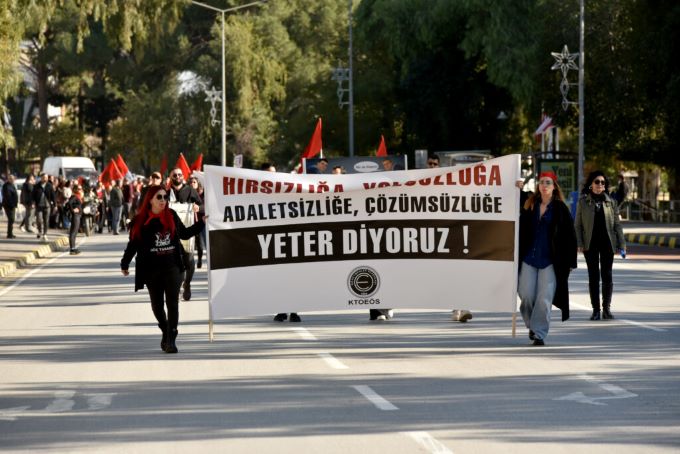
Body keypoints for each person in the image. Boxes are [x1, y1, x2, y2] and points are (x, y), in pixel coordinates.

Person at [120, 185, 205, 353]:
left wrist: (201, 223)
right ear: (150, 199)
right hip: (151, 270)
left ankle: (172, 338)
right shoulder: (140, 221)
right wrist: (125, 263)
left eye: (165, 197)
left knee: (172, 304)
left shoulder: (171, 215)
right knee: (157, 306)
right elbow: (133, 245)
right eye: (159, 197)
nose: (163, 201)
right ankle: (165, 330)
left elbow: (185, 234)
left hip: (173, 267)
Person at [518, 171, 577, 346]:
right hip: (529, 257)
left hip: (550, 261)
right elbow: (514, 202)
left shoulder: (560, 209)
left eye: (548, 182)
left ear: (554, 187)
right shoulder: (530, 205)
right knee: (526, 294)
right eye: (542, 182)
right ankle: (532, 325)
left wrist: (570, 263)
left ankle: (539, 333)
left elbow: (570, 237)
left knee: (544, 298)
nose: (544, 185)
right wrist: (518, 189)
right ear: (538, 186)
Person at [426, 155, 473, 322]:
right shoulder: (420, 184)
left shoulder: (448, 182)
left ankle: (461, 307)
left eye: (435, 164)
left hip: (452, 232)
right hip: (432, 236)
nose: (432, 166)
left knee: (458, 270)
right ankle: (457, 306)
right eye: (430, 164)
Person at [574, 171, 626, 320]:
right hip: (590, 244)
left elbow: (617, 224)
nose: (600, 185)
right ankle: (596, 310)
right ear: (591, 184)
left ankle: (606, 309)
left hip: (607, 243)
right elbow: (577, 225)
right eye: (597, 182)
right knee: (593, 277)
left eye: (603, 182)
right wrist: (579, 242)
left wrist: (622, 243)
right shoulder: (583, 202)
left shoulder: (611, 202)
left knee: (607, 276)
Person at [260, 162, 302, 323]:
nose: (273, 176)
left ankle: (294, 310)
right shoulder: (255, 193)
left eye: (274, 173)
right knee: (277, 279)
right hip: (270, 242)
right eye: (270, 173)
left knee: (292, 278)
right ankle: (281, 310)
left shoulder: (285, 189)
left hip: (290, 240)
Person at [168, 168, 202, 301]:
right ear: (171, 177)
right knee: (175, 262)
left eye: (180, 174)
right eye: (175, 175)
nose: (177, 176)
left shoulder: (190, 191)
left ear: (183, 177)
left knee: (189, 260)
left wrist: (197, 207)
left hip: (188, 229)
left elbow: (201, 204)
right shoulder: (166, 192)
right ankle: (175, 288)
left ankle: (187, 283)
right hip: (172, 232)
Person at [32, 173, 55, 242]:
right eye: (44, 177)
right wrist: (33, 203)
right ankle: (39, 231)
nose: (45, 179)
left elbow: (53, 195)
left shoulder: (49, 186)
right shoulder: (37, 186)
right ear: (41, 178)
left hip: (47, 206)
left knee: (46, 220)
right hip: (39, 205)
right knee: (39, 220)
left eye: (46, 177)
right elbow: (33, 195)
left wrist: (55, 204)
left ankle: (45, 234)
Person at [64, 184, 83, 254]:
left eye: (80, 189)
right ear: (75, 189)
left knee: (74, 232)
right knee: (73, 232)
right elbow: (69, 203)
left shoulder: (78, 196)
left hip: (78, 216)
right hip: (75, 216)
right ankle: (72, 249)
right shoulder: (74, 196)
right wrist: (72, 210)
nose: (80, 190)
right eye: (78, 189)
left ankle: (73, 248)